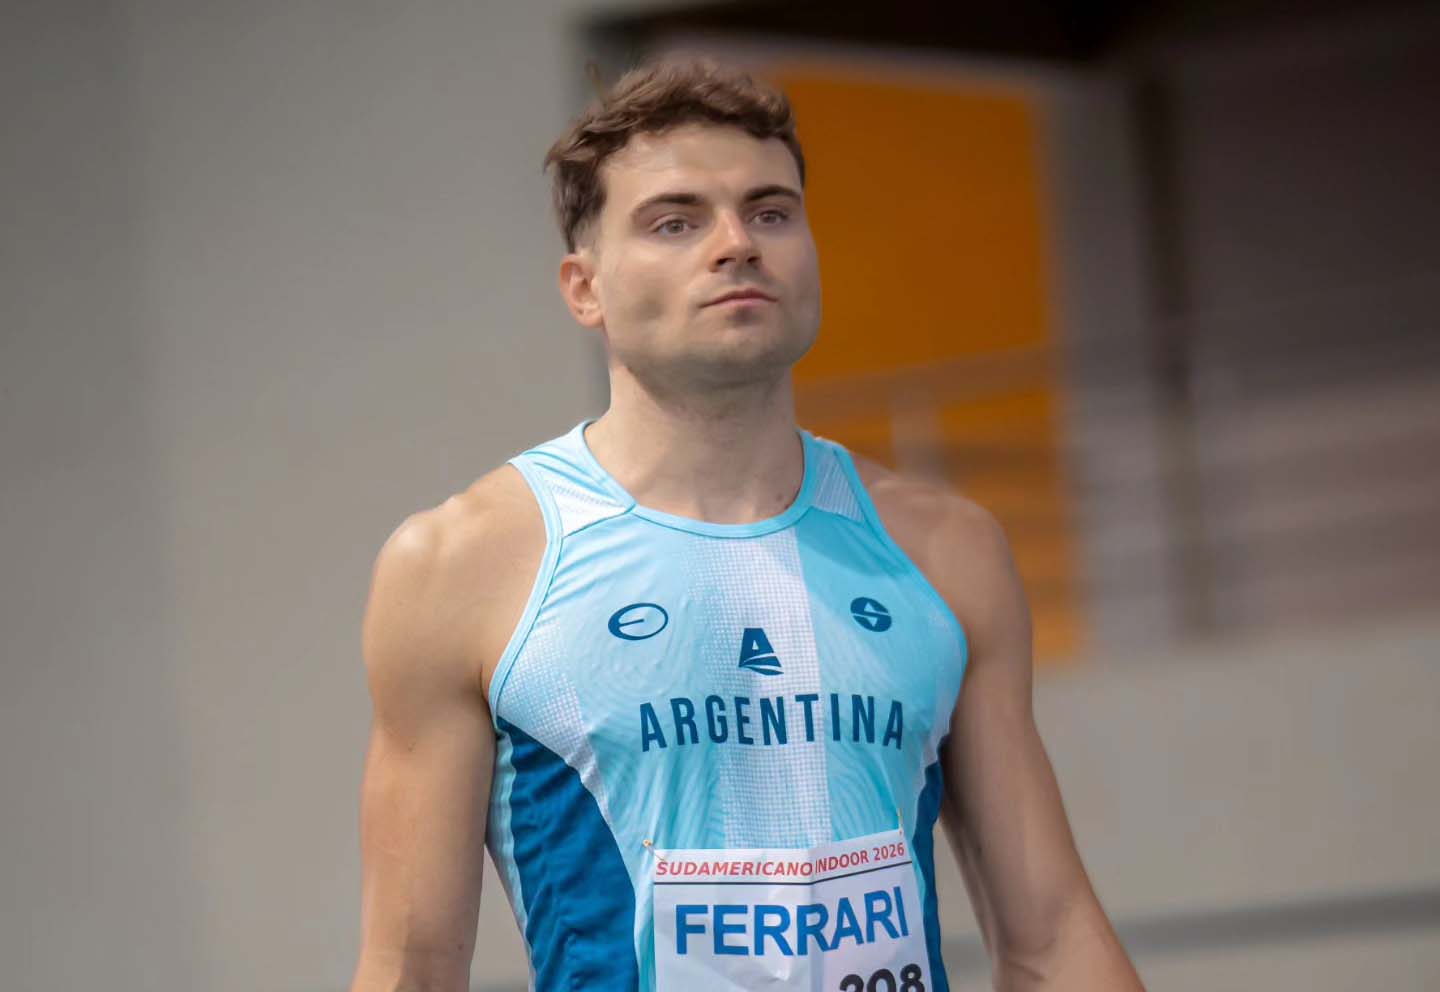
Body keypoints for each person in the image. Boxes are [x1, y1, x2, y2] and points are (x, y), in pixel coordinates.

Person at [348, 57, 1144, 992]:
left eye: (771, 212)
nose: (737, 244)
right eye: (675, 222)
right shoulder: (462, 564)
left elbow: (1052, 938)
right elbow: (413, 968)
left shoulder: (946, 549)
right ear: (584, 288)